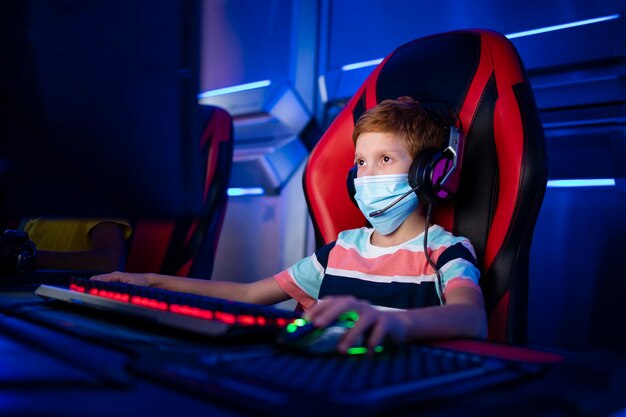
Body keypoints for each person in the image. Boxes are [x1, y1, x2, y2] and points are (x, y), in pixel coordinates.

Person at [92, 97, 487, 352]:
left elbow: (471, 318)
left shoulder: (445, 250)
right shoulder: (340, 250)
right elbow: (248, 295)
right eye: (362, 162)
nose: (366, 176)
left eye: (385, 160)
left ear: (431, 174)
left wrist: (391, 323)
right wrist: (149, 281)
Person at [22, 218, 132, 272]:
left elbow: (109, 262)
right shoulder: (37, 209)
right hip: (25, 298)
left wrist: (31, 258)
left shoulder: (99, 199)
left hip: (70, 302)